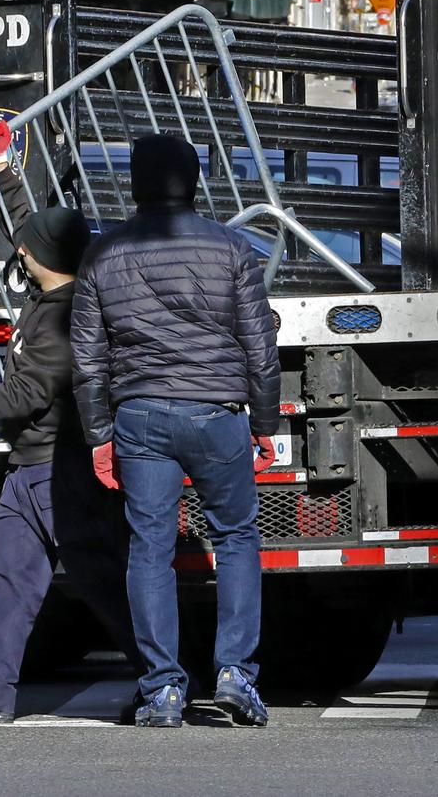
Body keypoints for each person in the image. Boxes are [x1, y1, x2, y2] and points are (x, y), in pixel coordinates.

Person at [0, 122, 138, 724]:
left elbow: (25, 392)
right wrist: (4, 168)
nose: (17, 249)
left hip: (63, 470)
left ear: (39, 260)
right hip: (31, 469)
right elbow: (29, 229)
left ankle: (165, 675)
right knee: (9, 579)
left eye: (25, 248)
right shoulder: (58, 285)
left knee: (105, 584)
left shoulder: (61, 321)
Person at [72, 133, 279, 729]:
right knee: (237, 538)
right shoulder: (232, 248)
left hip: (138, 418)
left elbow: (90, 358)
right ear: (194, 180)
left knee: (149, 551)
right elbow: (260, 348)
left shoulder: (103, 254)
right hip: (217, 412)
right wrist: (265, 422)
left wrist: (98, 436)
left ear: (134, 183)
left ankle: (162, 688)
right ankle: (236, 675)